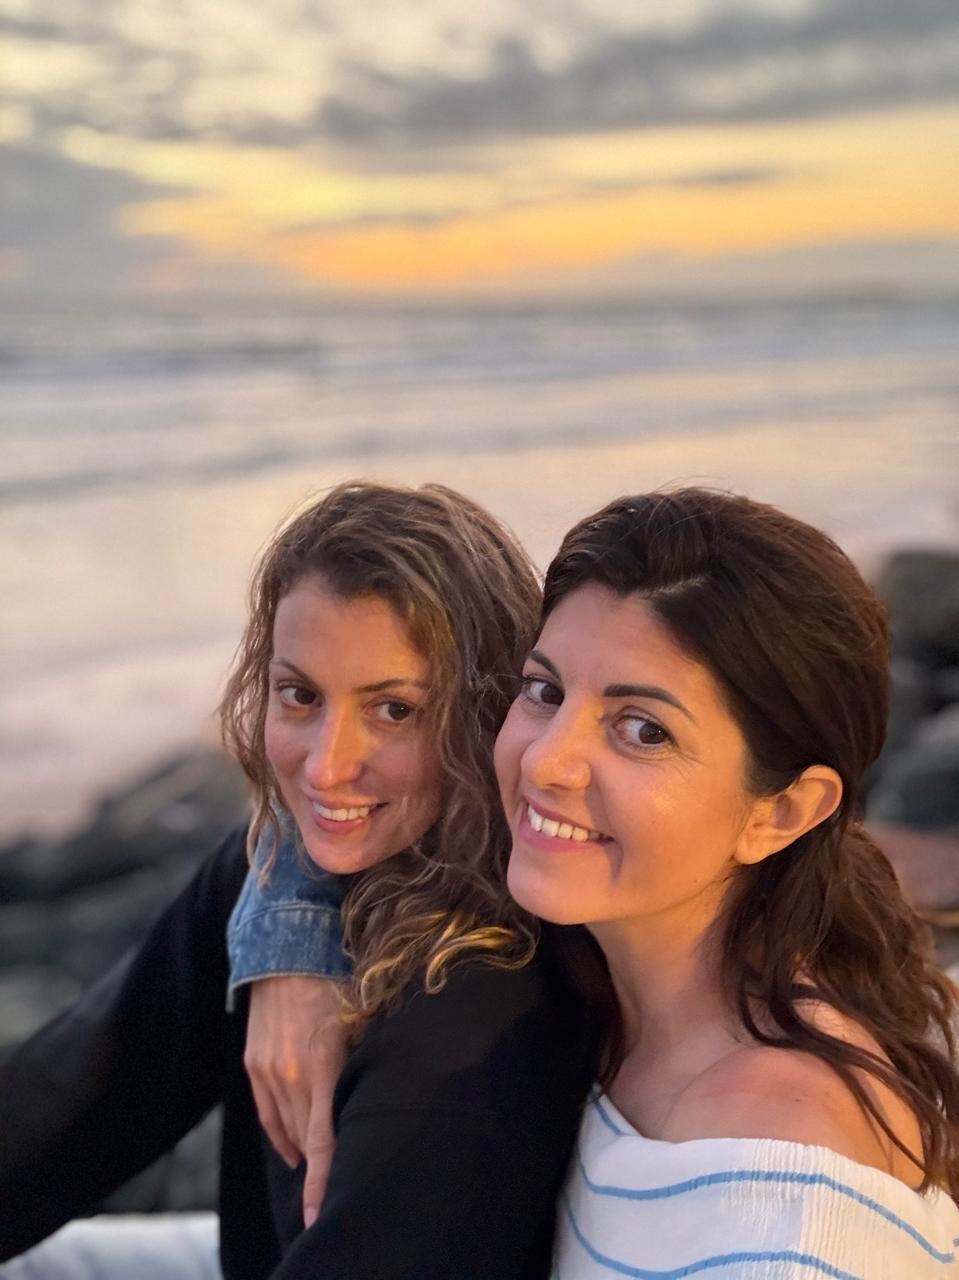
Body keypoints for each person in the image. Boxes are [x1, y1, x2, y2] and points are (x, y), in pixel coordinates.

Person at [0, 481, 598, 1279]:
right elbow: (65, 1109)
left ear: (486, 709)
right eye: (300, 696)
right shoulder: (273, 876)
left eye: (393, 710)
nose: (324, 767)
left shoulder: (473, 1026)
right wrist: (287, 930)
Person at [492, 489, 959, 1277]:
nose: (545, 761)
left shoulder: (782, 1197)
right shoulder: (604, 1003)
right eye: (545, 691)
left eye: (643, 730)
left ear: (780, 813)